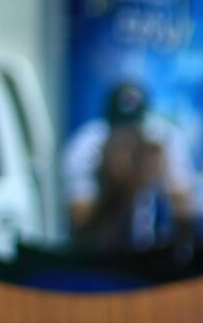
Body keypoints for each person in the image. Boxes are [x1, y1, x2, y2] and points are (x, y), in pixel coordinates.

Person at [63, 81, 195, 252]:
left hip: (148, 251)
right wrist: (115, 185)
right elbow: (78, 226)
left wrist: (164, 174)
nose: (127, 143)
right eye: (120, 132)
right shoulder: (87, 146)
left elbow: (186, 219)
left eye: (133, 130)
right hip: (97, 254)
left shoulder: (164, 139)